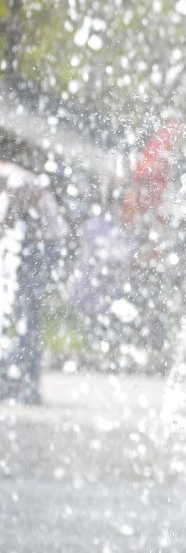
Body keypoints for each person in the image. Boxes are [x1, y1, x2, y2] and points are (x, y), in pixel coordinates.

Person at [0, 160, 67, 404]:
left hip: (43, 244)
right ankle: (21, 379)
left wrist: (5, 226)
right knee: (23, 310)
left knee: (25, 310)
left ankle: (24, 381)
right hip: (43, 244)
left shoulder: (10, 177)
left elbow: (12, 214)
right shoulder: (12, 176)